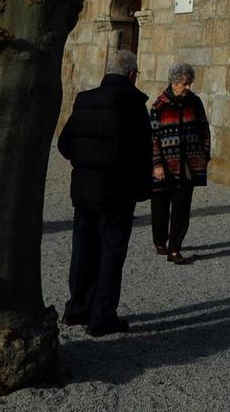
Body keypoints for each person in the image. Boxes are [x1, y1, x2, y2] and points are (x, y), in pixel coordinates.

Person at [55, 49, 150, 336]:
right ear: (132, 74)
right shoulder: (134, 103)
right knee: (110, 253)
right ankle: (102, 316)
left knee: (83, 249)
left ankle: (77, 308)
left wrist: (85, 161)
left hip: (84, 190)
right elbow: (143, 153)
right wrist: (142, 190)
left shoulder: (85, 100)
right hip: (117, 194)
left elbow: (64, 144)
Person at [148, 61, 210, 263]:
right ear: (174, 83)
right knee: (160, 207)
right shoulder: (159, 105)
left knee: (182, 208)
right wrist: (156, 164)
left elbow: (204, 129)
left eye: (190, 83)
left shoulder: (195, 102)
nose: (188, 88)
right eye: (185, 84)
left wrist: (204, 155)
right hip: (164, 166)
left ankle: (175, 248)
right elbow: (153, 137)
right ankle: (160, 240)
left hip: (187, 166)